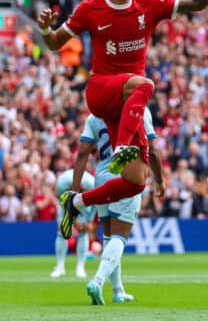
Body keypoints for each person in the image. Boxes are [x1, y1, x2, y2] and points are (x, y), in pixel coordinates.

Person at [38, 0, 208, 239]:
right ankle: (120, 149)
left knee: (137, 181)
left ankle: (76, 202)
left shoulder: (148, 4)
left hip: (128, 106)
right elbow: (54, 44)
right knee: (145, 84)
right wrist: (45, 30)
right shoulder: (91, 9)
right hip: (102, 90)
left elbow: (196, 3)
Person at [70, 108, 163, 305]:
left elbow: (83, 153)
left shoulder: (95, 115)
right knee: (120, 236)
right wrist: (159, 180)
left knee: (109, 236)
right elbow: (152, 149)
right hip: (126, 175)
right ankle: (97, 280)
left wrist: (75, 192)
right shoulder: (139, 110)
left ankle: (118, 290)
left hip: (102, 176)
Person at [50, 169, 96, 278]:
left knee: (83, 231)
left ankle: (80, 268)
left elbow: (95, 202)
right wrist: (74, 221)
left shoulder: (92, 184)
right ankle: (59, 267)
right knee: (62, 230)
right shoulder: (61, 184)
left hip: (84, 202)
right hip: (65, 203)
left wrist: (90, 220)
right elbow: (63, 204)